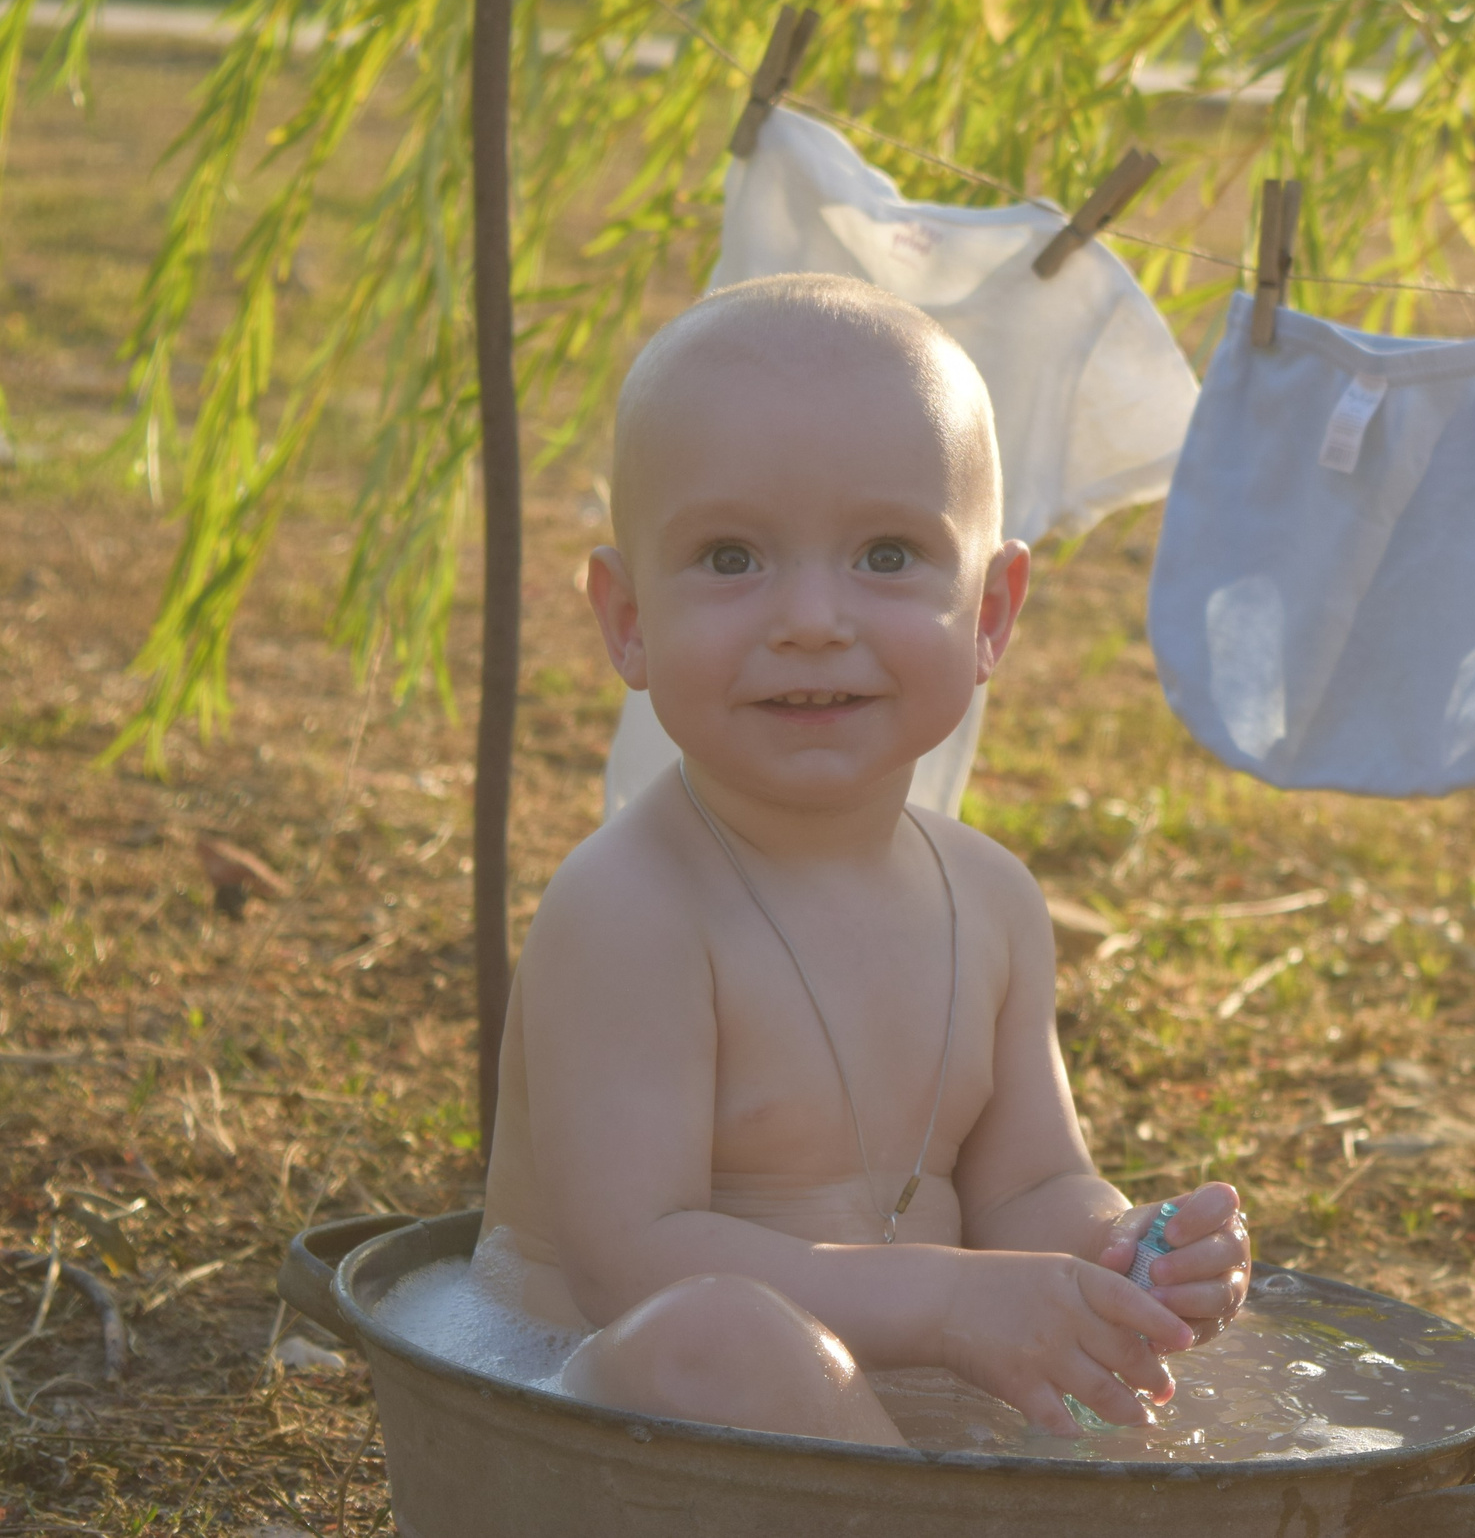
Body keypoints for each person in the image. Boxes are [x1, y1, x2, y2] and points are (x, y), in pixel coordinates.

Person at [474, 273, 1251, 1447]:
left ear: (991, 613)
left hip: (891, 1423)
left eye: (887, 556)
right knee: (722, 1337)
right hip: (598, 1431)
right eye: (732, 559)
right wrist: (946, 1300)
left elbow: (1029, 1190)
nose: (812, 620)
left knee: (1191, 1388)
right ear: (627, 620)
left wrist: (1120, 1252)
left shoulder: (988, 899)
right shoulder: (630, 907)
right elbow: (631, 1264)